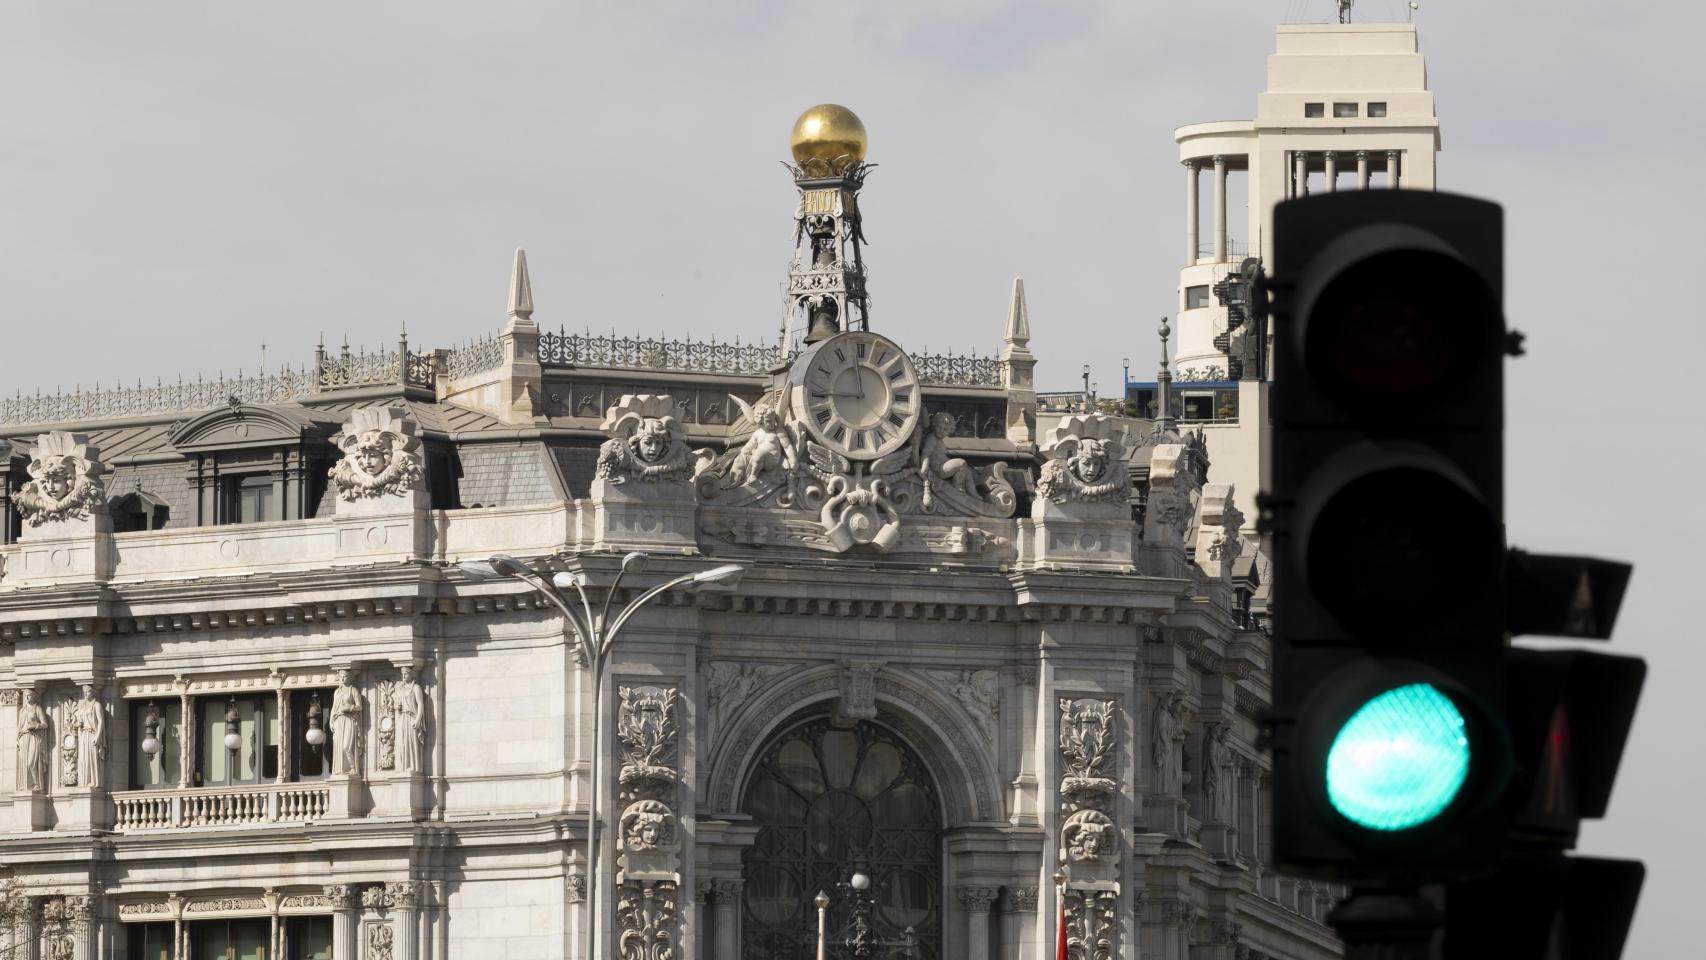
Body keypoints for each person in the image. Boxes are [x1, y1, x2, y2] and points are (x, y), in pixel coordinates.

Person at [392, 665, 425, 774]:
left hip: (412, 718)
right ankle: (404, 767)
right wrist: (397, 707)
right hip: (402, 718)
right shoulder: (400, 689)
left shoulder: (416, 688)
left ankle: (413, 767)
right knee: (403, 743)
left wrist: (418, 719)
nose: (404, 676)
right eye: (403, 674)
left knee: (412, 742)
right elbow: (398, 704)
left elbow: (420, 704)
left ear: (411, 675)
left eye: (406, 674)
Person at [331, 669, 363, 776]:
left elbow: (359, 706)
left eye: (345, 676)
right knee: (339, 747)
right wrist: (331, 721)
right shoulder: (337, 692)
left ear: (349, 678)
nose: (343, 678)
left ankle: (353, 768)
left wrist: (349, 708)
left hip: (349, 720)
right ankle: (341, 770)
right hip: (338, 720)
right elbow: (334, 708)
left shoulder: (353, 690)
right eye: (341, 677)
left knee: (346, 746)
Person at [16, 689, 49, 792]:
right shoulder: (22, 709)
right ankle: (26, 785)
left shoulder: (37, 708)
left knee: (31, 762)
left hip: (34, 737)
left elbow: (45, 724)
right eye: (26, 695)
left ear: (34, 696)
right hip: (23, 737)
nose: (27, 697)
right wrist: (18, 737)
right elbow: (19, 725)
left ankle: (37, 784)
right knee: (24, 764)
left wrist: (35, 726)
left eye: (29, 695)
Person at [73, 683, 105, 788]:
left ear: (92, 692)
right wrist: (78, 724)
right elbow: (79, 721)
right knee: (83, 759)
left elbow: (101, 722)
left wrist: (98, 736)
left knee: (92, 758)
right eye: (84, 692)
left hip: (92, 734)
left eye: (88, 692)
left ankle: (94, 782)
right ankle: (85, 782)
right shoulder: (82, 706)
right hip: (83, 734)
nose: (86, 694)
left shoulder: (97, 705)